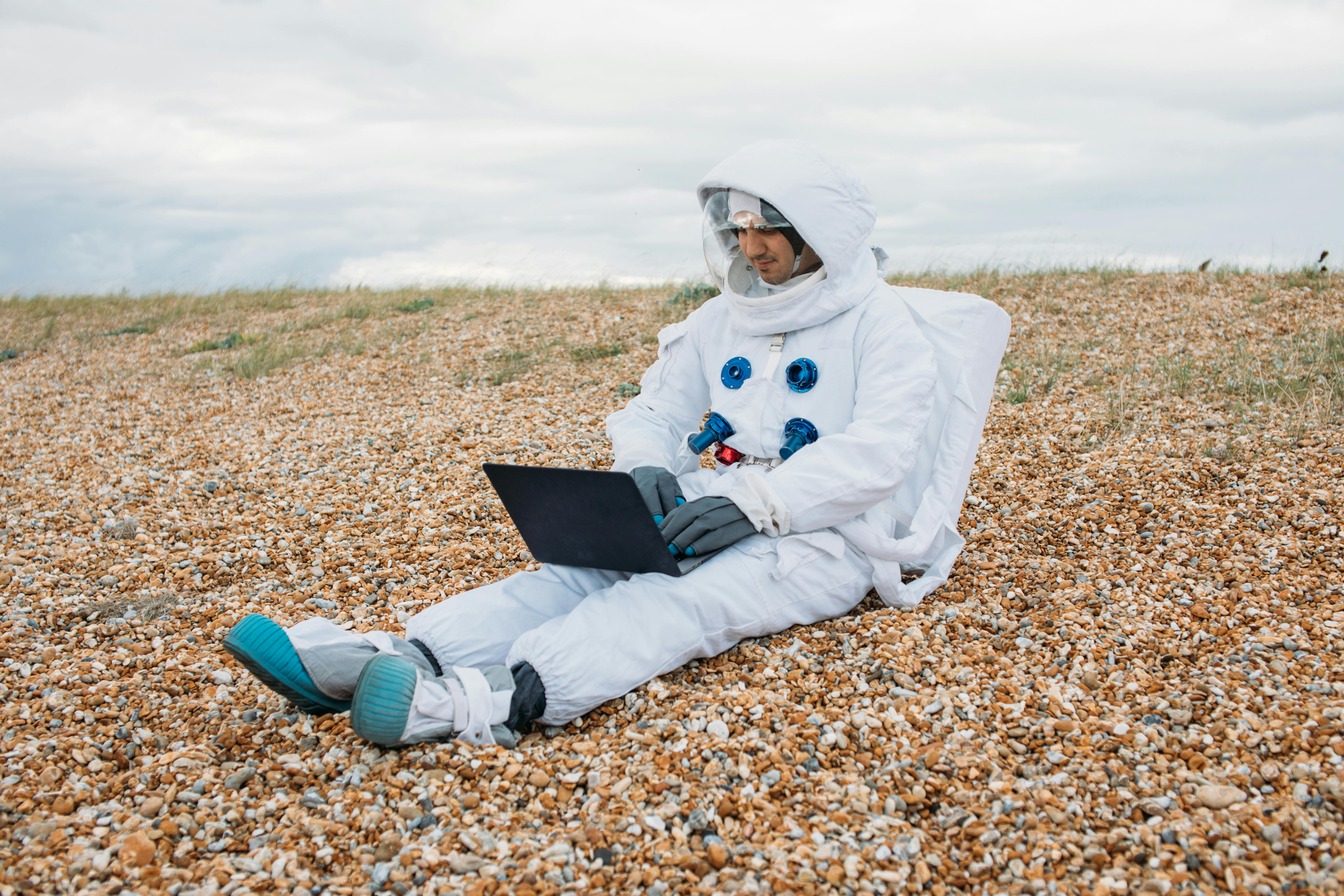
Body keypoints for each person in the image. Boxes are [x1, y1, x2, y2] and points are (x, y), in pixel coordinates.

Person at [223, 139, 1009, 748]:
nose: (750, 244)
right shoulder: (721, 319)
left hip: (830, 536)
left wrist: (761, 504)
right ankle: (401, 654)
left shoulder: (882, 328)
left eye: (766, 226)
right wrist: (645, 468)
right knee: (577, 570)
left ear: (819, 230)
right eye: (738, 226)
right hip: (719, 503)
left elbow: (880, 453)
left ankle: (487, 700)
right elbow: (656, 408)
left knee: (676, 601)